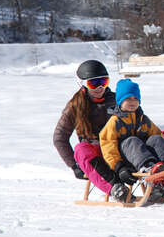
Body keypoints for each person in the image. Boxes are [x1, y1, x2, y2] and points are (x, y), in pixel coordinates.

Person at [53, 60, 129, 202]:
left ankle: (162, 180)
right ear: (82, 84)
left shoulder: (118, 100)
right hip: (98, 154)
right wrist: (74, 165)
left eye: (104, 81)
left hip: (121, 150)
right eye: (93, 83)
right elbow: (59, 137)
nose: (100, 87)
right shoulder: (75, 106)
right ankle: (115, 187)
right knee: (81, 149)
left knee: (161, 134)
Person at [99, 78, 164, 200]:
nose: (132, 102)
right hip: (126, 160)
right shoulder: (114, 122)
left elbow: (157, 135)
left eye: (135, 99)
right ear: (120, 101)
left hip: (146, 156)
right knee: (132, 140)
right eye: (128, 98)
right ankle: (148, 166)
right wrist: (119, 167)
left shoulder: (142, 118)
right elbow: (108, 146)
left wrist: (159, 151)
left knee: (155, 138)